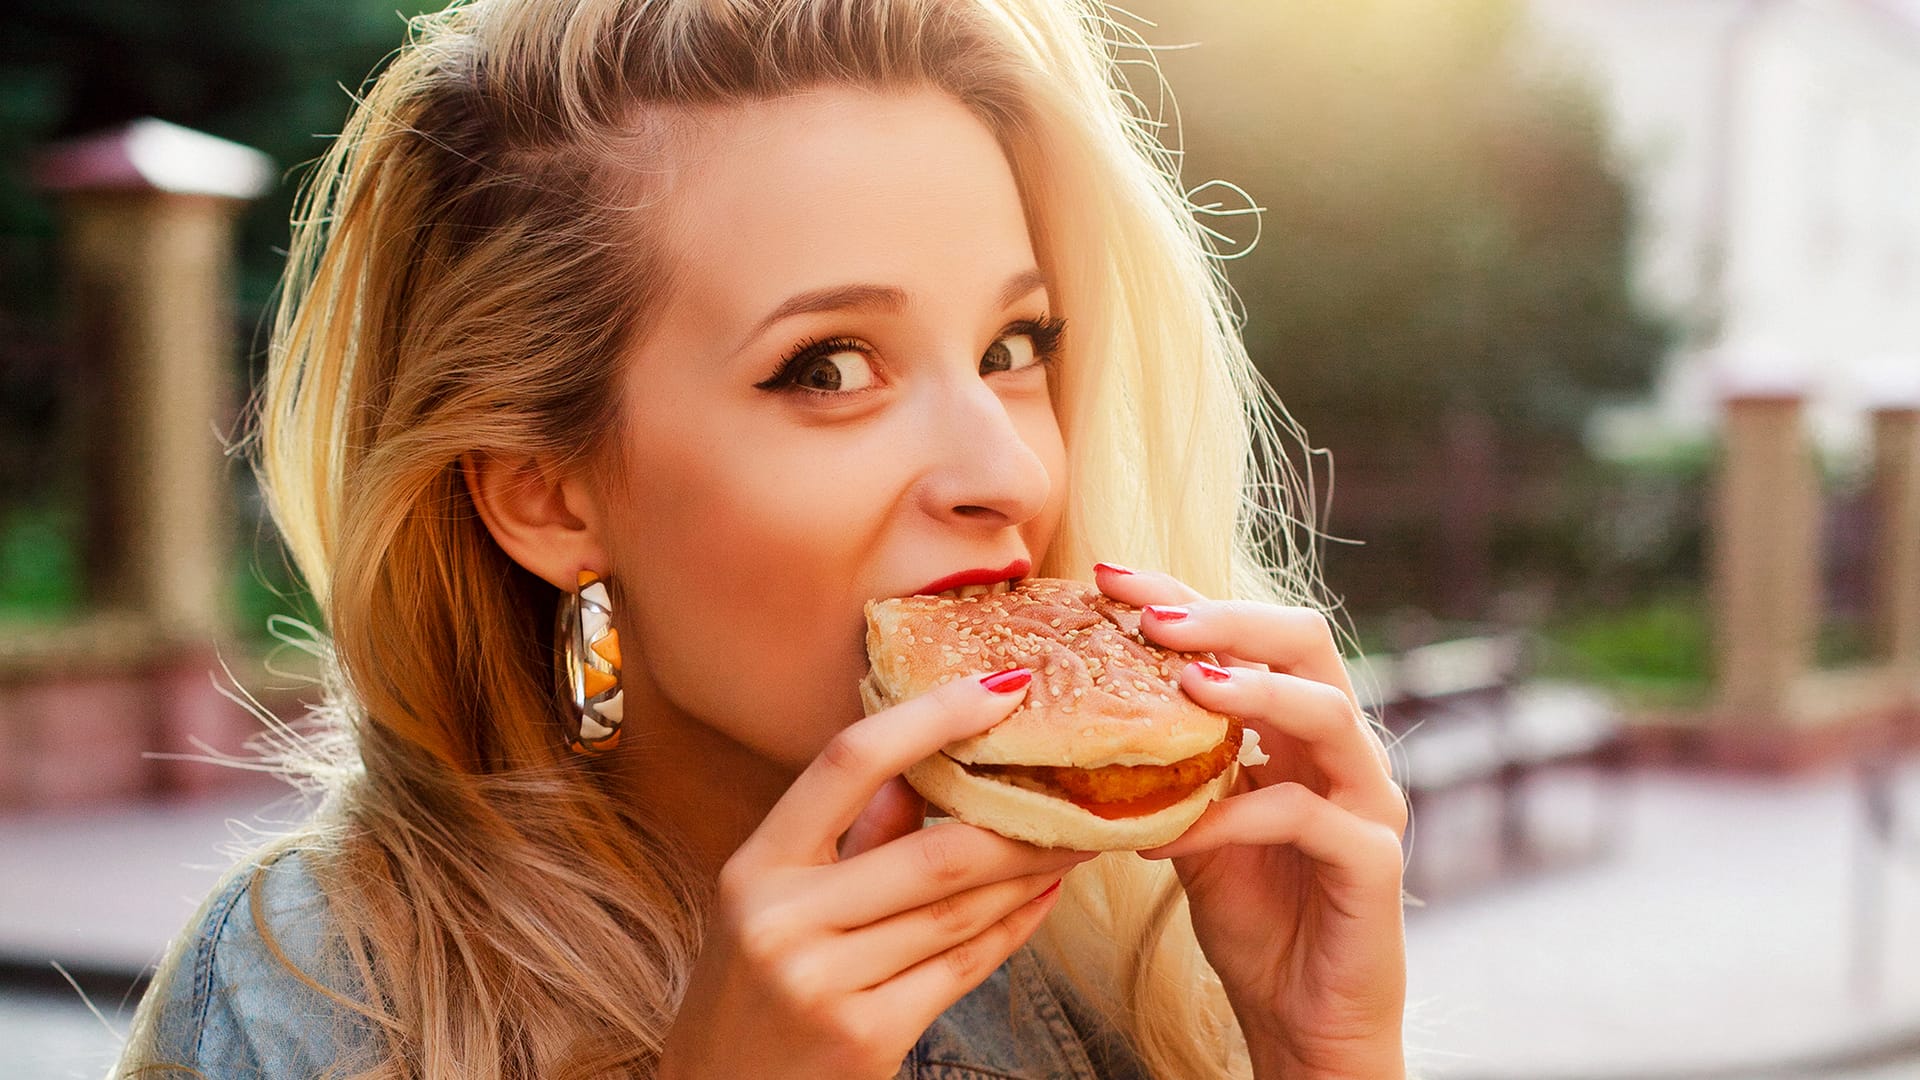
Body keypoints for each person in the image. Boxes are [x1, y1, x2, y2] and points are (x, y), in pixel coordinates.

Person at [116, 0, 1409, 1076]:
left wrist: (1321, 1054)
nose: (1006, 469)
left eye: (1015, 348)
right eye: (828, 366)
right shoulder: (316, 995)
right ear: (545, 495)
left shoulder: (1102, 944)